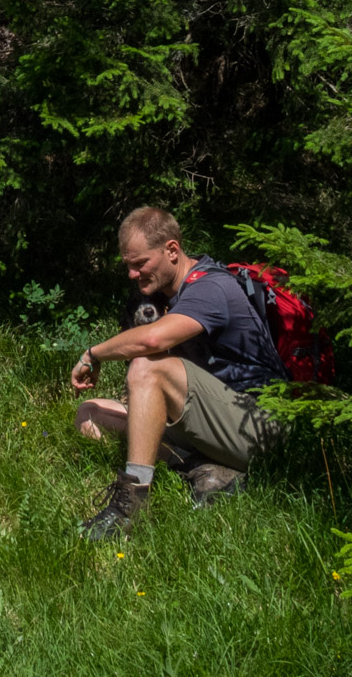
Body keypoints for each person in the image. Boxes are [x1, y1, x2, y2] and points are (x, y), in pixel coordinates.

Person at [70, 206, 284, 539]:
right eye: (127, 265)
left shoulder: (211, 288)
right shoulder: (171, 294)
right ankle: (207, 469)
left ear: (172, 250)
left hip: (257, 425)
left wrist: (93, 353)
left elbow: (153, 339)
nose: (132, 273)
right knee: (90, 414)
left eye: (140, 263)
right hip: (216, 421)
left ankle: (129, 506)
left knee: (147, 366)